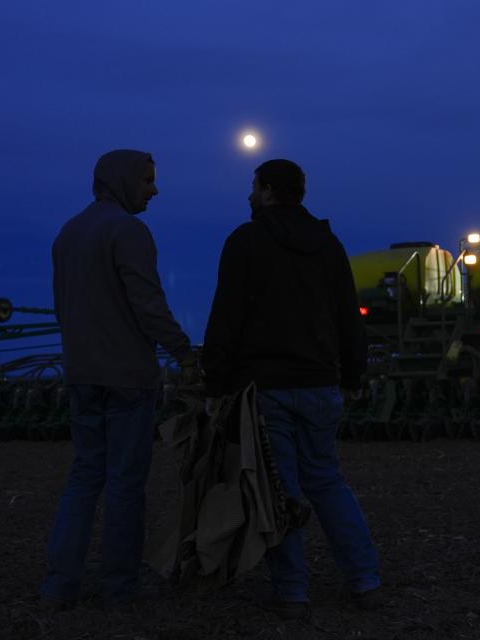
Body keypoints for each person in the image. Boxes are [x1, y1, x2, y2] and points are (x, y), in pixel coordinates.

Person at [202, 159, 381, 619]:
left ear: (266, 191)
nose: (249, 195)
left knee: (280, 489)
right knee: (327, 481)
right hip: (320, 385)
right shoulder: (328, 244)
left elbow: (227, 316)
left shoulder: (245, 242)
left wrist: (216, 382)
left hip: (267, 388)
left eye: (253, 187)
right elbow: (348, 315)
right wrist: (353, 375)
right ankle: (365, 580)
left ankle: (292, 592)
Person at [40, 149, 195, 610]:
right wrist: (184, 352)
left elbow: (62, 307)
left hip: (83, 374)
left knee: (84, 478)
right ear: (125, 180)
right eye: (147, 180)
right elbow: (148, 305)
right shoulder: (128, 231)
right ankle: (120, 588)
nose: (154, 189)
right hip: (128, 378)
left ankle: (59, 584)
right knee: (126, 485)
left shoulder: (68, 233)